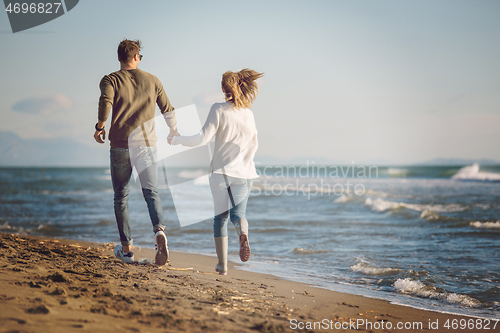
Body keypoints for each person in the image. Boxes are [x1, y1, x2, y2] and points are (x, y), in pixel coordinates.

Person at [93, 39, 179, 265]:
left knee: (121, 196)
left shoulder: (110, 79)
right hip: (147, 144)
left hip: (121, 144)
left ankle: (127, 250)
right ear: (136, 57)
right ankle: (160, 232)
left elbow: (105, 102)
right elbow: (167, 109)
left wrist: (100, 126)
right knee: (151, 192)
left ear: (119, 57)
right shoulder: (153, 80)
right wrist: (173, 130)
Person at [171, 69, 264, 275]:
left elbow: (201, 139)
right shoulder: (249, 114)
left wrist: (177, 139)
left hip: (221, 172)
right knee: (239, 214)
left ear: (224, 88)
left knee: (220, 218)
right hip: (244, 172)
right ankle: (243, 233)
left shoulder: (218, 109)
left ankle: (222, 267)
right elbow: (254, 145)